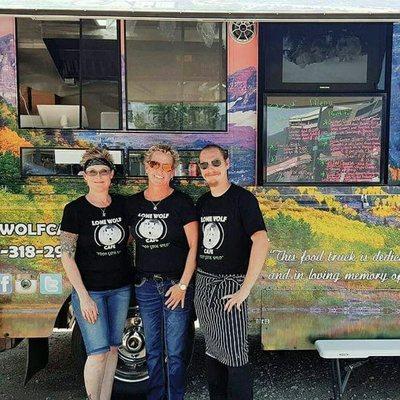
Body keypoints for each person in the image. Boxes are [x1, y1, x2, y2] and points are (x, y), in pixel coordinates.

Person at [194, 144, 270, 400]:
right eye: (204, 165)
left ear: (227, 163)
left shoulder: (242, 199)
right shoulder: (203, 202)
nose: (210, 169)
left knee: (235, 356)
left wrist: (244, 289)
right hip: (204, 283)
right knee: (212, 350)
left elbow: (261, 241)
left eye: (215, 162)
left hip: (231, 286)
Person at [126, 144, 198, 400]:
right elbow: (125, 241)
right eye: (155, 164)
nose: (160, 171)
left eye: (166, 166)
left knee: (176, 352)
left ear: (173, 170)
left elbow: (194, 247)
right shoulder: (133, 203)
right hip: (145, 286)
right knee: (153, 350)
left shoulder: (182, 202)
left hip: (175, 286)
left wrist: (183, 286)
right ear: (147, 166)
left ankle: (175, 397)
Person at [60, 148, 132, 400]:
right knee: (98, 352)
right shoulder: (75, 210)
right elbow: (67, 256)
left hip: (121, 289)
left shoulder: (123, 205)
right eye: (92, 172)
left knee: (113, 350)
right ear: (85, 176)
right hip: (90, 291)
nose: (98, 176)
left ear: (111, 175)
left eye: (103, 171)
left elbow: (132, 238)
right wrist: (83, 297)